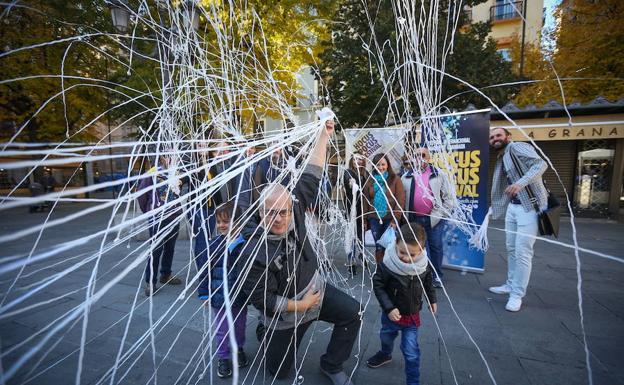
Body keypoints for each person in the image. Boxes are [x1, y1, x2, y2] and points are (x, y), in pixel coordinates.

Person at [241, 117, 361, 385]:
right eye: (270, 213)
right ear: (260, 214)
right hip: (285, 313)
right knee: (279, 373)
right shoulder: (253, 253)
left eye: (282, 211)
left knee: (355, 313)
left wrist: (323, 136)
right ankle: (266, 332)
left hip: (315, 290)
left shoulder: (294, 208)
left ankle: (332, 365)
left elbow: (313, 171)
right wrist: (302, 305)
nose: (279, 218)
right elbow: (265, 300)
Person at [366, 222, 437, 385]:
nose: (406, 258)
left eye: (412, 255)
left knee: (411, 351)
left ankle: (413, 381)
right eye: (402, 252)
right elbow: (378, 285)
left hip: (411, 316)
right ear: (395, 244)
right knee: (386, 337)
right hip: (391, 314)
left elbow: (428, 282)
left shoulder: (423, 264)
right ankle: (385, 353)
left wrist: (432, 299)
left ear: (421, 250)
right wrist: (389, 307)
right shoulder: (388, 264)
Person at [488, 127, 547, 312]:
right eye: (491, 137)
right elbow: (506, 187)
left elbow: (541, 164)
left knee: (522, 252)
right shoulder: (502, 156)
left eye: (498, 135)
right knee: (511, 248)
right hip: (513, 207)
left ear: (508, 137)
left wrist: (520, 183)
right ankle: (511, 284)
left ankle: (517, 295)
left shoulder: (517, 147)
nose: (494, 139)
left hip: (530, 207)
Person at [195, 202, 248, 378]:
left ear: (238, 221)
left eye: (226, 221)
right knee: (222, 329)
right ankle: (223, 357)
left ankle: (238, 348)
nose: (221, 225)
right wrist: (204, 293)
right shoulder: (214, 245)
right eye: (219, 222)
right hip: (219, 297)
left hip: (239, 297)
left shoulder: (245, 245)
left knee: (239, 327)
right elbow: (204, 271)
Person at [401, 147, 454, 288]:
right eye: (417, 155)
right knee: (418, 249)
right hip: (414, 219)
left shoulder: (438, 174)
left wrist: (441, 213)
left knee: (435, 247)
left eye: (423, 155)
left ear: (429, 158)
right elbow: (402, 199)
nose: (420, 157)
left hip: (434, 219)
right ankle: (422, 275)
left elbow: (449, 198)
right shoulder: (406, 176)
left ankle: (436, 276)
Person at [137, 155, 183, 296]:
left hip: (174, 215)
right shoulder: (152, 173)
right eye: (168, 155)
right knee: (156, 250)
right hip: (157, 217)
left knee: (170, 247)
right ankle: (150, 282)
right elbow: (141, 195)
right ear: (162, 157)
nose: (171, 158)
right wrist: (150, 210)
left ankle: (166, 274)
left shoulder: (176, 172)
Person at [364, 153, 405, 263]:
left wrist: (395, 219)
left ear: (388, 165)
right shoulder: (370, 180)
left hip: (389, 219)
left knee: (389, 246)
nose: (380, 167)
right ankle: (380, 271)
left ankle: (390, 269)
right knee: (378, 246)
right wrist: (364, 220)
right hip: (374, 219)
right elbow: (365, 201)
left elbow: (400, 201)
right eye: (378, 165)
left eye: (383, 164)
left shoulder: (395, 179)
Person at [343, 151, 369, 276]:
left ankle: (362, 256)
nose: (357, 162)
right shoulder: (348, 172)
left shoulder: (366, 174)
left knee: (361, 235)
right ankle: (351, 262)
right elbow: (349, 181)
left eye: (360, 159)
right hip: (351, 210)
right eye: (355, 159)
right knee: (351, 236)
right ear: (351, 161)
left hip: (363, 210)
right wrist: (352, 183)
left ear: (363, 161)